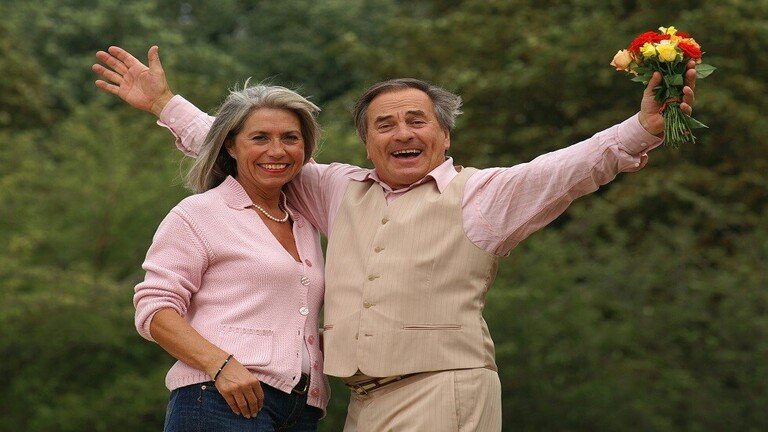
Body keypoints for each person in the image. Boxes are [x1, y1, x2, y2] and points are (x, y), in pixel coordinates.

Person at [94, 45, 697, 431]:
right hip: (359, 403)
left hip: (446, 392)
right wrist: (165, 104)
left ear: (444, 135)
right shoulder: (335, 189)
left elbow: (567, 168)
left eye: (416, 121)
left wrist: (641, 129)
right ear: (366, 142)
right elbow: (260, 152)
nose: (402, 133)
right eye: (384, 124)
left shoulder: (483, 195)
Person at [130, 80, 330, 431]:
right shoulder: (199, 213)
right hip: (221, 400)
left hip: (302, 410)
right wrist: (220, 364)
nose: (277, 151)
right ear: (230, 145)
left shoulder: (304, 222)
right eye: (260, 138)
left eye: (290, 138)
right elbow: (155, 310)